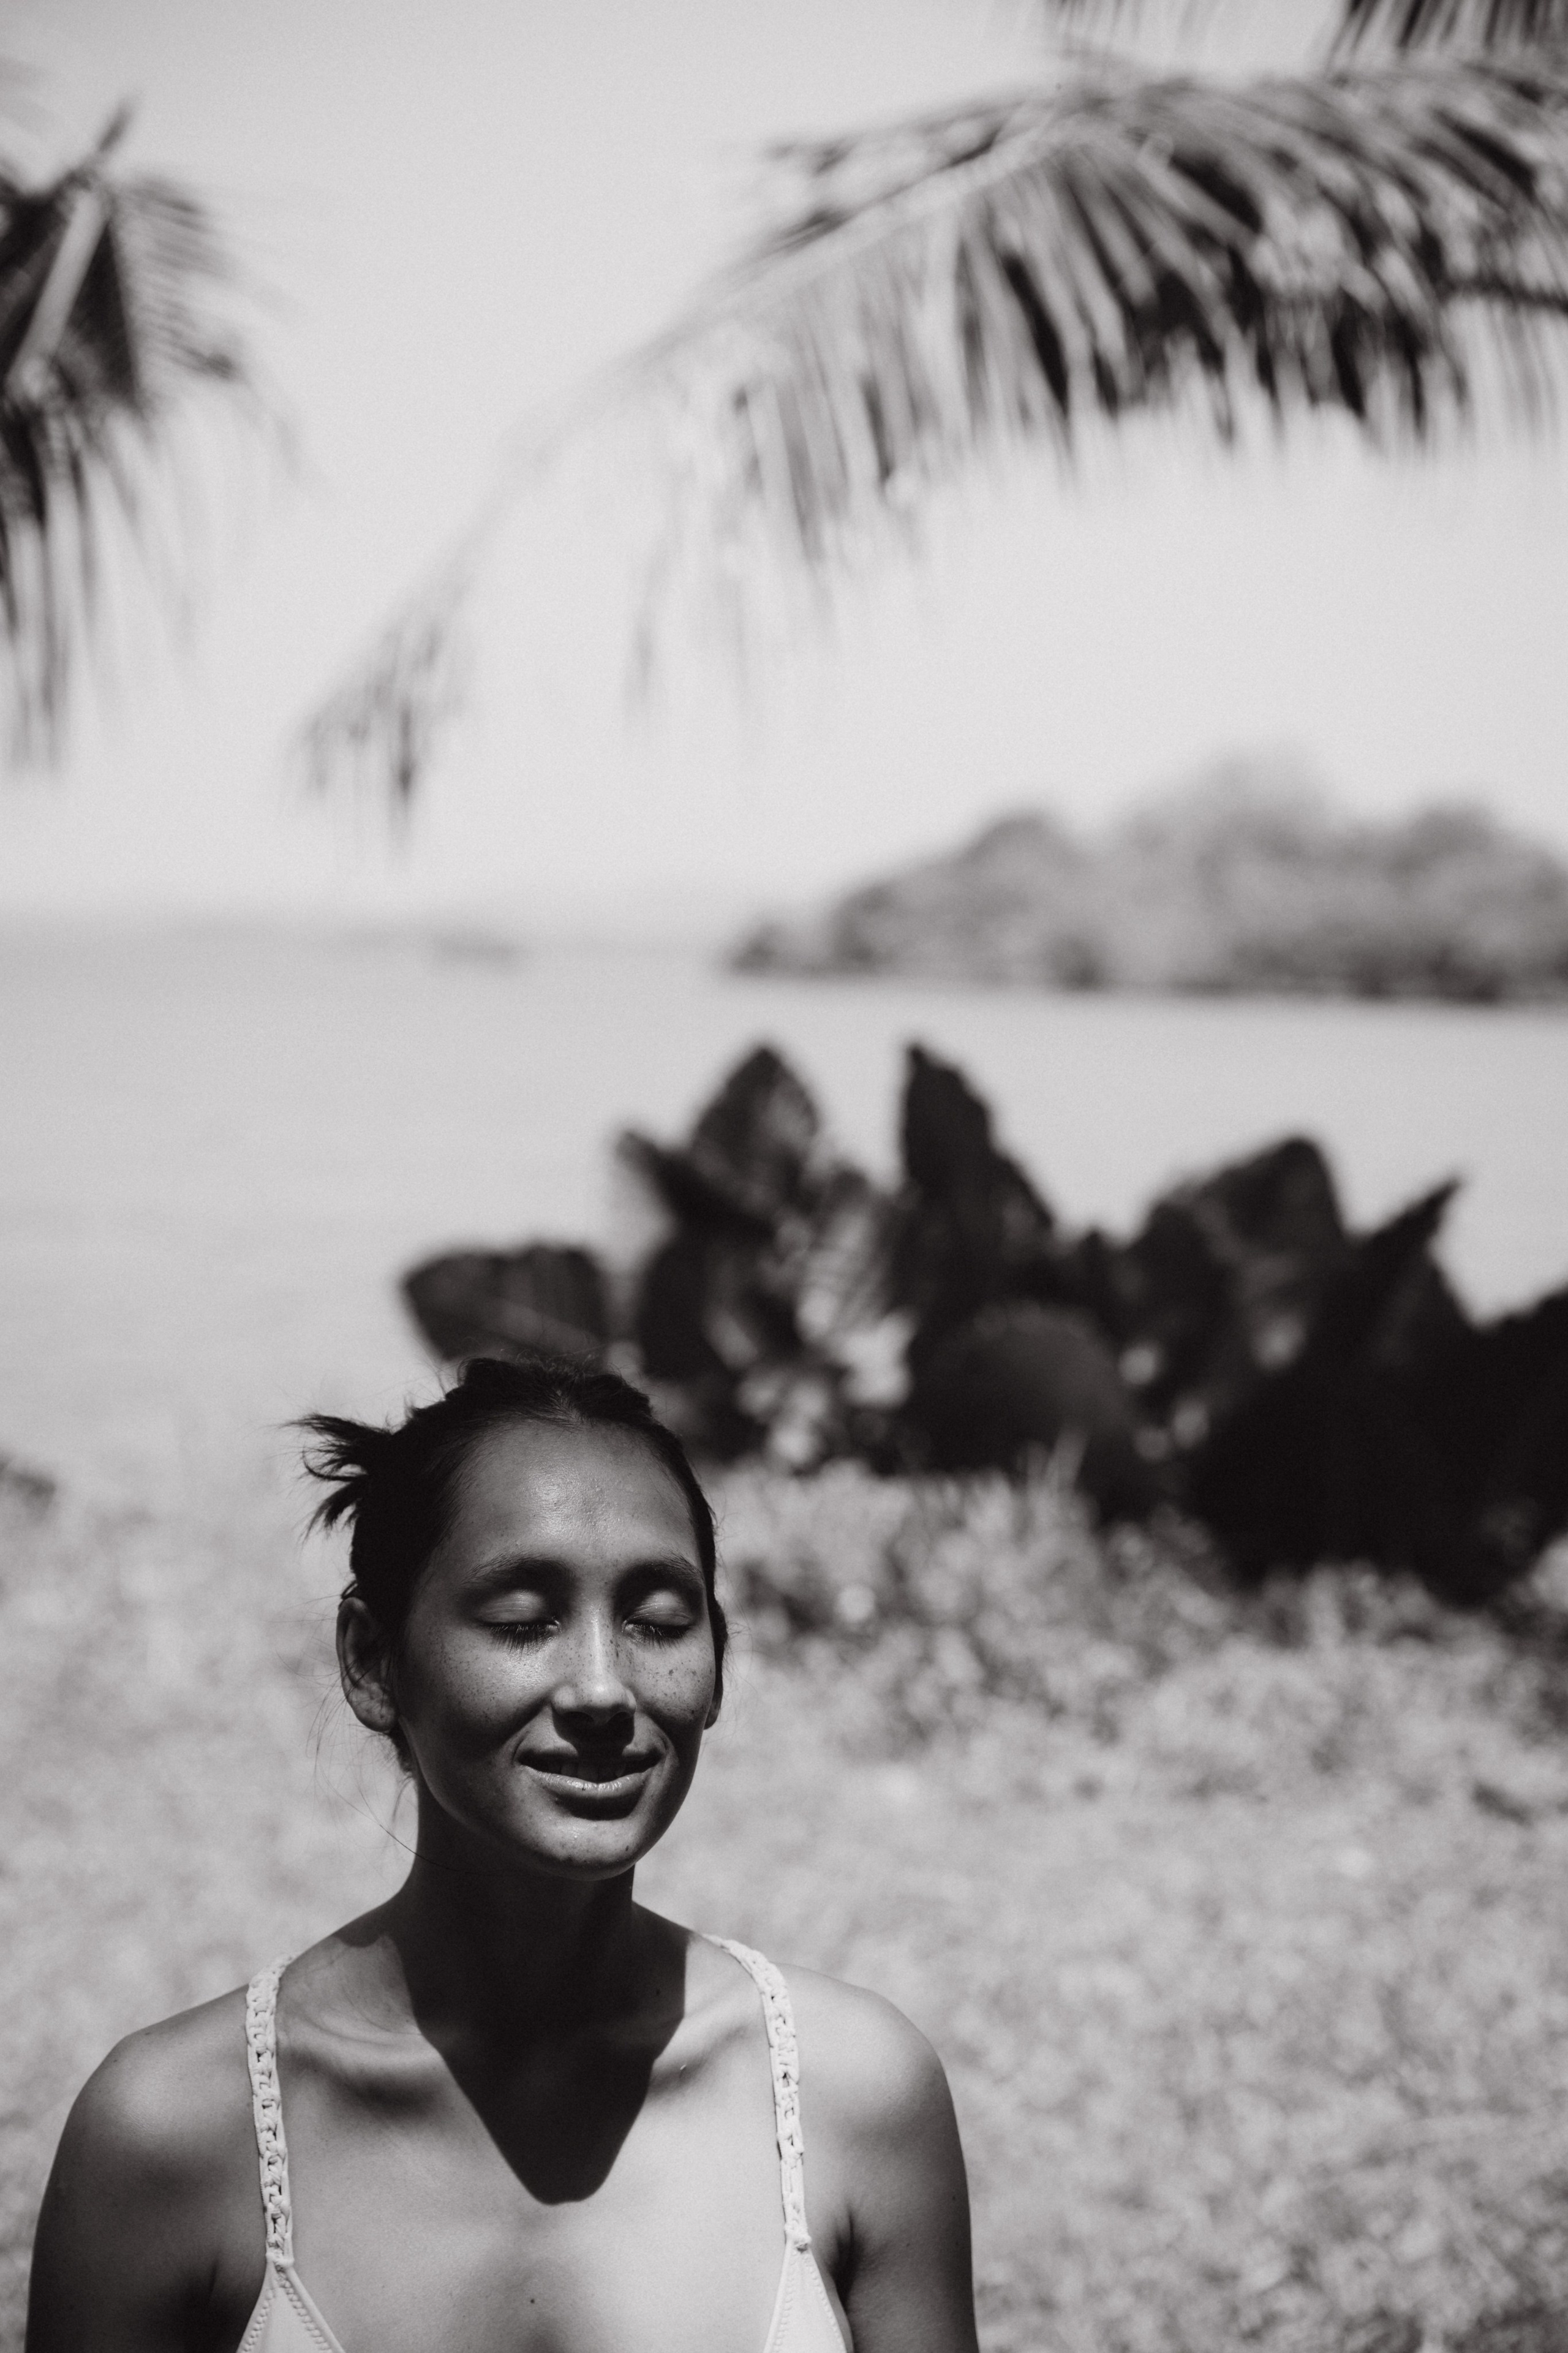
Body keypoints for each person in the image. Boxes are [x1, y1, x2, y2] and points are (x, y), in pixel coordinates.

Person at [26, 1354, 979, 2352]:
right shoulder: (175, 2136)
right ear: (371, 1661)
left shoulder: (851, 2097)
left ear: (716, 1665)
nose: (604, 1689)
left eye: (659, 1620)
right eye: (524, 1621)